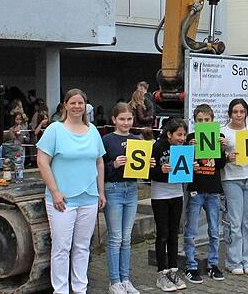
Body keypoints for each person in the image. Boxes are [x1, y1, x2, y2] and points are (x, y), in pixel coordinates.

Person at [36, 88, 106, 294]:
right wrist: (55, 191)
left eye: (81, 103)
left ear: (86, 106)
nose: (77, 107)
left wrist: (100, 192)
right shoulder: (54, 130)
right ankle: (60, 290)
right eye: (73, 103)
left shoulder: (92, 130)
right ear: (65, 105)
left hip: (89, 198)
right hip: (62, 200)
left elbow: (99, 162)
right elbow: (42, 161)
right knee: (61, 248)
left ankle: (80, 287)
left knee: (83, 247)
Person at [103, 102, 155, 294]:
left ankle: (125, 279)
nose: (126, 122)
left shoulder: (137, 139)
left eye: (129, 119)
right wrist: (113, 165)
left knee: (126, 238)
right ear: (114, 120)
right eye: (122, 119)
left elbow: (144, 172)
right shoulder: (107, 140)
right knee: (115, 238)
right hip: (113, 189)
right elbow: (100, 169)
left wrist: (149, 164)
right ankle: (114, 281)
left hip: (132, 189)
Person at [183, 104, 227, 284]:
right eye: (199, 120)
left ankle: (213, 264)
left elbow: (221, 164)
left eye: (206, 120)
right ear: (195, 122)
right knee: (191, 230)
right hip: (196, 189)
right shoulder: (190, 138)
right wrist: (188, 148)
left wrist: (222, 149)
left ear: (212, 120)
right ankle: (190, 266)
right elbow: (183, 165)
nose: (203, 123)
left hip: (213, 189)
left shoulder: (219, 137)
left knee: (214, 230)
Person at [221, 98, 248, 275]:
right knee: (234, 221)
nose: (238, 115)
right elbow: (216, 159)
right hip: (231, 179)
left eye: (242, 111)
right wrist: (226, 157)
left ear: (246, 112)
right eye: (235, 112)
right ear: (230, 113)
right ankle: (233, 261)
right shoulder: (222, 132)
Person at [150, 117, 190, 292]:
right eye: (179, 135)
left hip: (177, 194)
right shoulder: (158, 147)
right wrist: (160, 170)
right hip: (160, 195)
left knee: (174, 233)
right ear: (169, 134)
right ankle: (161, 273)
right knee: (163, 233)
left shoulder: (185, 148)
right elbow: (148, 172)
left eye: (184, 134)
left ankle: (173, 270)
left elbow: (186, 172)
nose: (182, 138)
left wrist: (193, 167)